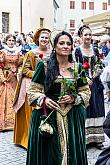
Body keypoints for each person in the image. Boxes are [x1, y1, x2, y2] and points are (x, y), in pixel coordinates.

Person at [26, 31, 91, 165]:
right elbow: (32, 91)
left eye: (68, 44)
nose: (65, 46)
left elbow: (85, 92)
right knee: (49, 155)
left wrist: (75, 98)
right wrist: (44, 99)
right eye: (61, 43)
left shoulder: (78, 68)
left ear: (72, 47)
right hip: (48, 118)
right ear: (54, 46)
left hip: (72, 119)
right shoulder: (43, 67)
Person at [13, 27, 51, 149]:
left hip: (48, 85)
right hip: (32, 85)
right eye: (42, 37)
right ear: (38, 39)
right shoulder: (31, 53)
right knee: (33, 113)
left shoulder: (53, 54)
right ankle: (30, 140)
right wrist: (38, 73)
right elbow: (25, 70)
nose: (44, 39)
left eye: (46, 37)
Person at [75, 25, 105, 150]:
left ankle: (97, 139)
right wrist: (84, 78)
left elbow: (99, 63)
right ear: (81, 36)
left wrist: (98, 71)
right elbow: (75, 66)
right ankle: (86, 139)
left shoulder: (96, 50)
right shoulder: (77, 51)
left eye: (89, 34)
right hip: (84, 84)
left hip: (96, 83)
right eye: (85, 35)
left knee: (97, 108)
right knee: (86, 109)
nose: (88, 37)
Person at [0, 34, 22, 131]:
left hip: (14, 78)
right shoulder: (3, 52)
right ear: (6, 41)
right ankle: (5, 123)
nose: (11, 42)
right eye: (9, 40)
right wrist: (2, 78)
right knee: (5, 98)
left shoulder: (18, 52)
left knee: (15, 97)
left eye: (13, 40)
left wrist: (17, 71)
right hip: (6, 77)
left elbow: (21, 65)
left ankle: (15, 122)